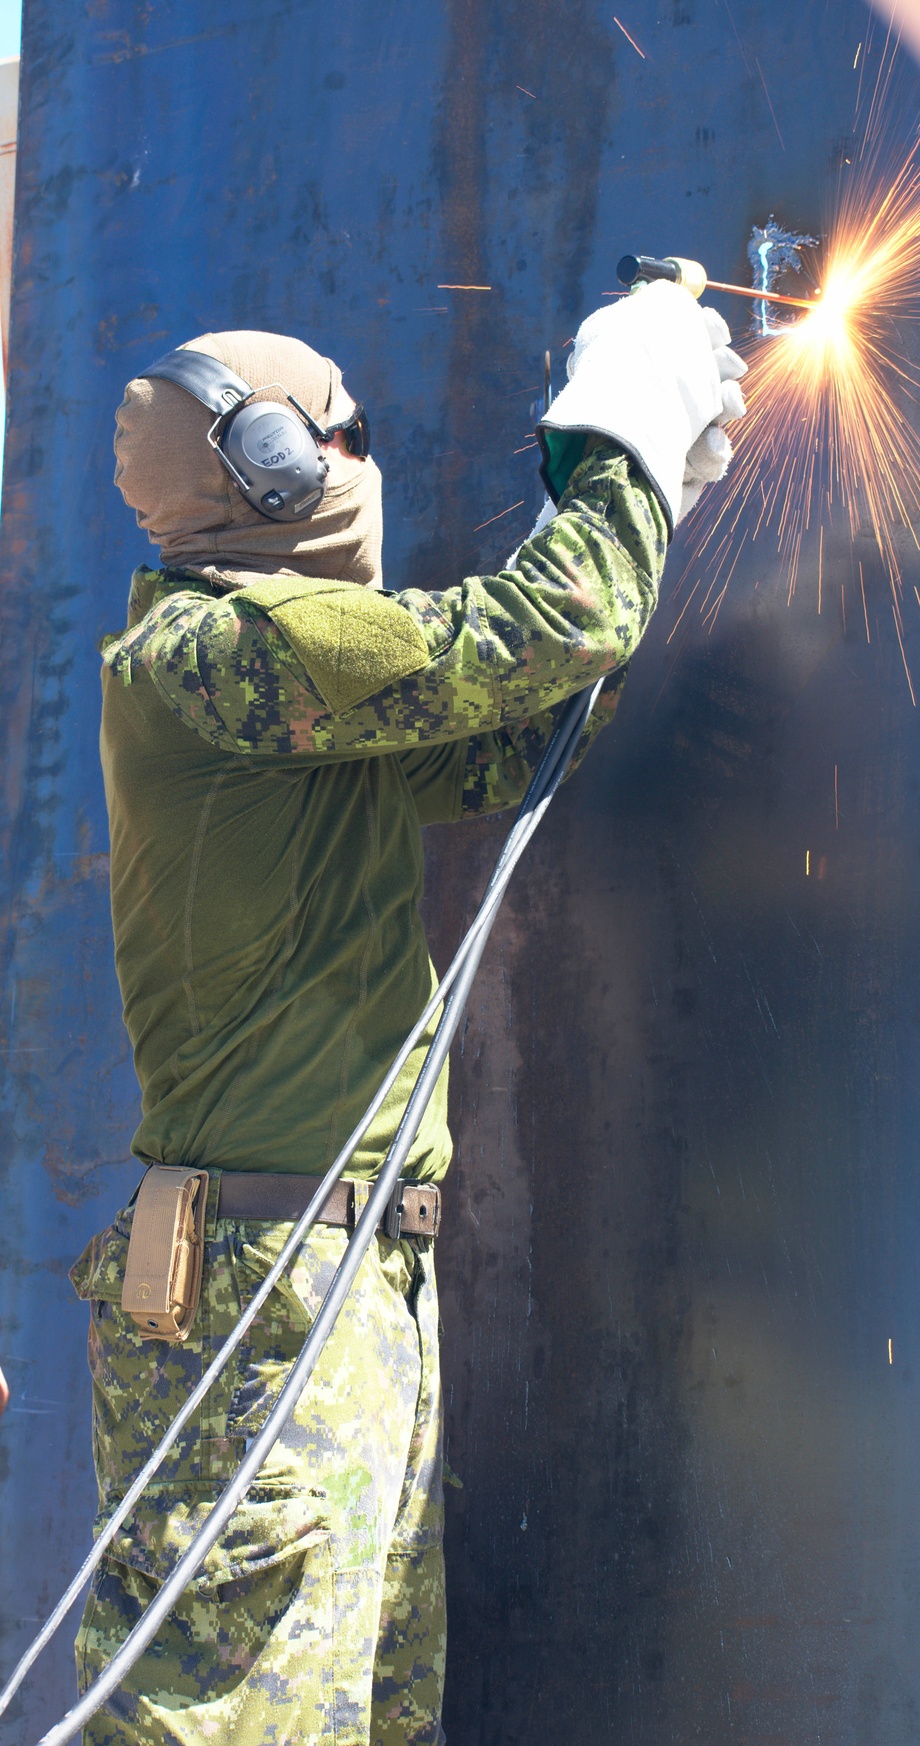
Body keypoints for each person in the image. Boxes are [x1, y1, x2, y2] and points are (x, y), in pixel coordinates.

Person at [70, 289, 746, 1745]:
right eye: (337, 438)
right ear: (267, 464)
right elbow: (524, 632)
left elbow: (518, 714)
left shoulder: (284, 703)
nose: (360, 461)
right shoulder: (213, 653)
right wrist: (623, 442)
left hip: (338, 1279)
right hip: (264, 1288)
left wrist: (625, 495)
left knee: (371, 1717)